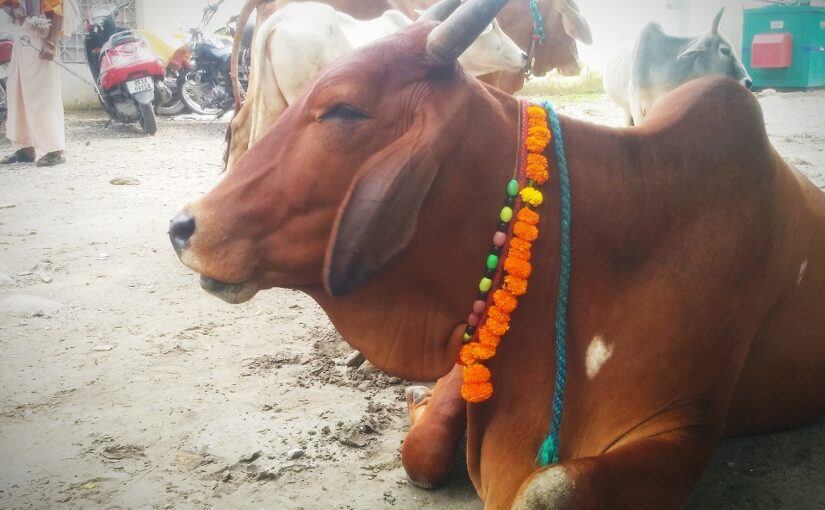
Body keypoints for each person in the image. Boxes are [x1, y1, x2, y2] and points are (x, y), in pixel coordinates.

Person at [0, 0, 66, 167]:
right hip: (23, 35)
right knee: (17, 90)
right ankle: (25, 148)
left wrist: (51, 43)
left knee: (41, 93)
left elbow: (57, 9)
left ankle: (55, 150)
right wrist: (14, 9)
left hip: (42, 36)